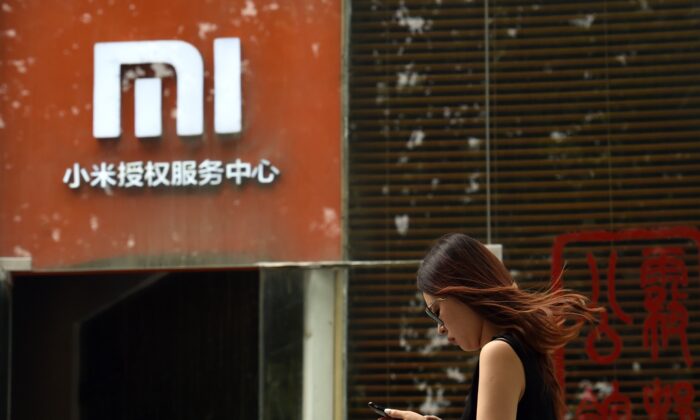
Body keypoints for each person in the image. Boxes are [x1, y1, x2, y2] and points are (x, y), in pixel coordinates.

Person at [377, 233, 601, 420]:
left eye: (436, 312)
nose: (440, 328)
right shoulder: (522, 346)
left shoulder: (498, 353)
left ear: (463, 292)